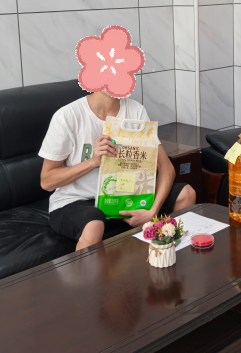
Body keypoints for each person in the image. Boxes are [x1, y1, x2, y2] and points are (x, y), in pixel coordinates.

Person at [39, 88, 196, 251]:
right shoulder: (67, 116)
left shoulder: (136, 110)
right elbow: (46, 181)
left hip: (125, 197)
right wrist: (93, 162)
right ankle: (84, 269)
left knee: (186, 194)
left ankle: (167, 259)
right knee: (93, 224)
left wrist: (153, 211)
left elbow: (166, 167)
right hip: (76, 201)